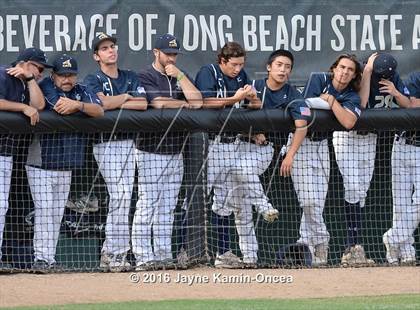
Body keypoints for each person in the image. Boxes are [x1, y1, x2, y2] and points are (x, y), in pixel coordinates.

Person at [194, 42, 279, 268]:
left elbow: (256, 105)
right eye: (234, 64)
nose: (238, 69)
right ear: (222, 61)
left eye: (241, 64)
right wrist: (235, 98)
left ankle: (224, 253)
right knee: (196, 198)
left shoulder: (242, 76)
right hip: (209, 145)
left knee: (223, 202)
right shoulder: (208, 72)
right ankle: (186, 250)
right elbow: (204, 102)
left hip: (233, 145)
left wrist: (251, 98)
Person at [26, 54, 103, 271]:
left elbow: (99, 110)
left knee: (57, 212)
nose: (67, 79)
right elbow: (57, 106)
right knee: (44, 209)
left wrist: (78, 105)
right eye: (62, 75)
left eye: (71, 75)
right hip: (41, 161)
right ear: (54, 75)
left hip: (66, 162)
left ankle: (49, 258)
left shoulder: (80, 90)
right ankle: (41, 258)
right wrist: (79, 108)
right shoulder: (45, 85)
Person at [132, 34, 202, 271]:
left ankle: (163, 255)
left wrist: (181, 76)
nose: (171, 57)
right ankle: (143, 257)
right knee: (148, 204)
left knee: (167, 207)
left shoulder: (180, 76)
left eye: (174, 54)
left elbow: (198, 102)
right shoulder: (144, 75)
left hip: (176, 151)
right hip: (150, 150)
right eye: (167, 53)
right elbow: (158, 103)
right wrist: (184, 104)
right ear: (156, 52)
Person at [334, 53, 411, 266]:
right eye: (379, 73)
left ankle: (355, 248)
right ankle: (351, 245)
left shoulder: (392, 77)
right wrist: (367, 72)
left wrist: (395, 91)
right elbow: (362, 104)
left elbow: (407, 104)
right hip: (347, 137)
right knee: (353, 187)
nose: (383, 77)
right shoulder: (360, 74)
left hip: (371, 139)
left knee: (362, 191)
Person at [239, 49, 310, 266]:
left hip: (266, 148)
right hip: (239, 145)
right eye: (279, 65)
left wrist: (289, 155)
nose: (283, 70)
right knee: (239, 206)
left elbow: (302, 125)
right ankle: (249, 258)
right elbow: (233, 118)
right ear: (269, 67)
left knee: (243, 171)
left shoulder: (294, 95)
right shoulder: (254, 87)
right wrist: (251, 133)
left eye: (287, 67)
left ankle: (264, 206)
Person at [84, 32, 148, 272]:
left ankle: (115, 253)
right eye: (104, 48)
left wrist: (115, 101)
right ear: (96, 55)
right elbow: (100, 104)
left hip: (129, 143)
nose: (111, 50)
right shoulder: (93, 78)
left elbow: (142, 104)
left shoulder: (130, 75)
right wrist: (125, 97)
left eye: (112, 46)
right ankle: (113, 253)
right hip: (105, 144)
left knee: (124, 197)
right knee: (120, 194)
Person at [294, 53, 362, 266]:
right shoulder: (318, 79)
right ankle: (319, 240)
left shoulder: (352, 95)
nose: (345, 72)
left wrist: (331, 101)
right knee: (308, 201)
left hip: (322, 145)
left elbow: (349, 122)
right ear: (334, 68)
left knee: (318, 202)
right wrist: (336, 108)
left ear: (353, 75)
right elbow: (305, 107)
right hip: (302, 142)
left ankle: (312, 250)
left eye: (350, 70)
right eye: (342, 67)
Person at [0, 47, 49, 271]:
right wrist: (22, 107)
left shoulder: (25, 81)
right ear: (26, 62)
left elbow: (39, 106)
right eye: (38, 68)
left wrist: (30, 78)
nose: (41, 73)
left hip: (7, 152)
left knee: (3, 206)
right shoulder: (3, 74)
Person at [382, 69, 419, 265]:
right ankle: (404, 252)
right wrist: (400, 96)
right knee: (401, 203)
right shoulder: (415, 77)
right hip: (403, 144)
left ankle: (393, 238)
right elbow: (413, 106)